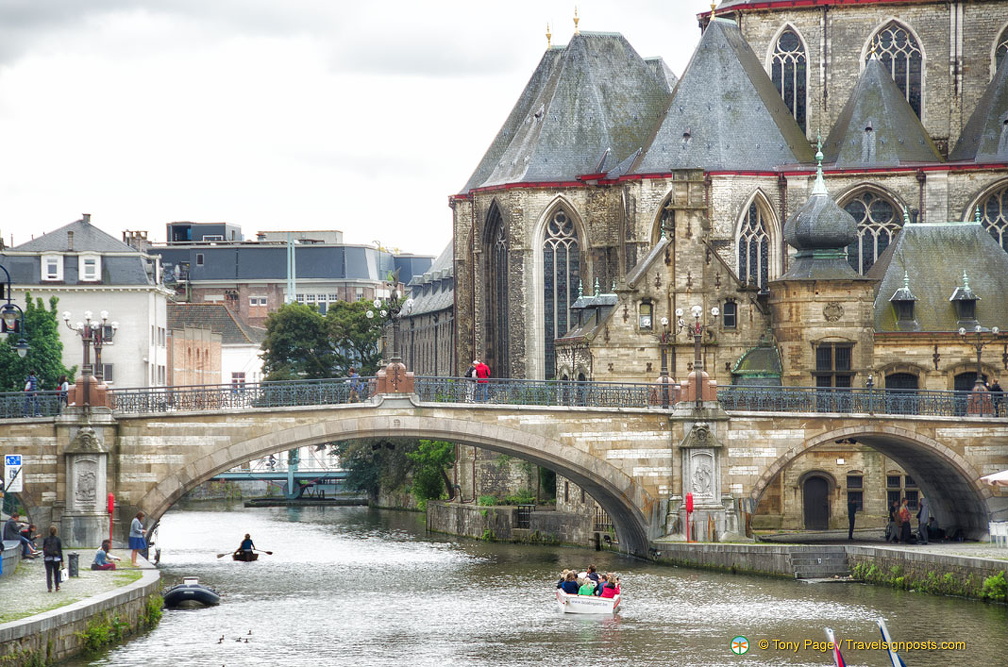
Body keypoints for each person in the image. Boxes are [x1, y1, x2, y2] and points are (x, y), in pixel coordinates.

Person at [42, 525, 63, 592]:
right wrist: (62, 560)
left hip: (48, 558)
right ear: (56, 532)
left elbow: (44, 548)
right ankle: (57, 586)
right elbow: (60, 550)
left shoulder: (46, 539)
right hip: (56, 558)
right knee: (56, 573)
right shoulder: (58, 540)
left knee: (49, 573)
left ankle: (49, 587)